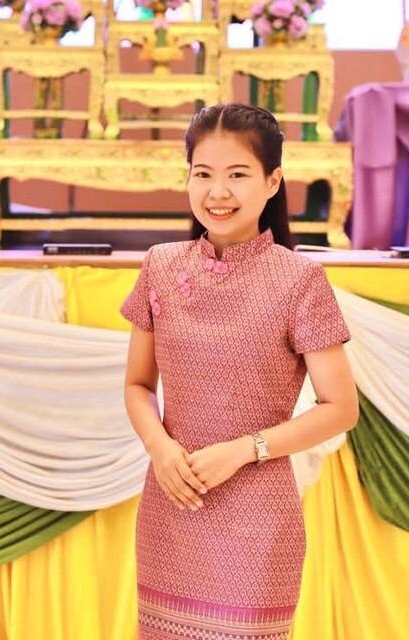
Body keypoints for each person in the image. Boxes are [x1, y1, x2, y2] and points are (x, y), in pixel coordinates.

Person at [121, 102, 359, 639]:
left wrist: (243, 451)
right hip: (171, 505)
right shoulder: (160, 265)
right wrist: (161, 449)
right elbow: (137, 385)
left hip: (259, 520)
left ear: (273, 182)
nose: (217, 192)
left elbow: (341, 409)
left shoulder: (301, 280)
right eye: (203, 174)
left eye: (237, 175)